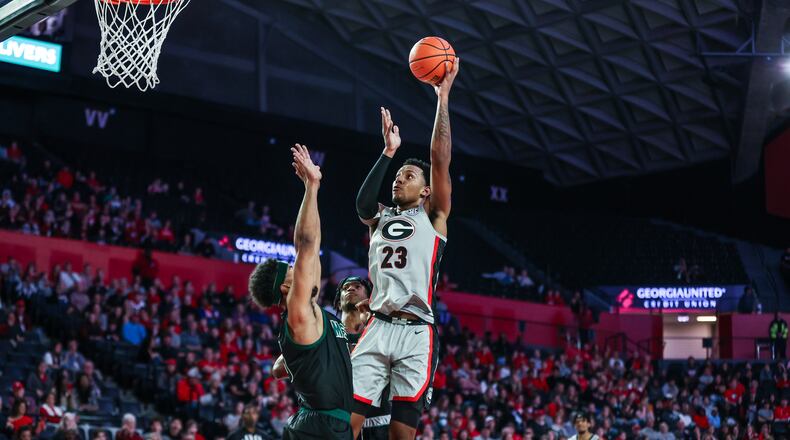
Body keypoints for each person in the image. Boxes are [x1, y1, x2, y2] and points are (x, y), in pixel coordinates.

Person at [351, 59, 460, 440]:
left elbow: (440, 160)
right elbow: (363, 206)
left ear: (426, 190)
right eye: (398, 176)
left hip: (416, 332)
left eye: (408, 176)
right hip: (378, 325)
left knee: (401, 434)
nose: (399, 180)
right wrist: (388, 153)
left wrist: (442, 99)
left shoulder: (434, 218)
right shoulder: (381, 216)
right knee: (343, 423)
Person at [248, 144, 352, 439]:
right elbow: (305, 246)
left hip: (328, 424)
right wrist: (312, 187)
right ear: (284, 287)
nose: (297, 267)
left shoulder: (307, 308)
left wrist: (311, 187)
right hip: (319, 427)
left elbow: (311, 245)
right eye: (290, 268)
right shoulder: (299, 311)